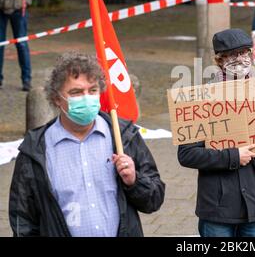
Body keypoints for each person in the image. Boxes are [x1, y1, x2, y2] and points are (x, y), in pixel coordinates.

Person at [9, 53, 165, 236]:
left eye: (92, 90)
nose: (86, 98)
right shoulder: (36, 149)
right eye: (76, 92)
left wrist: (134, 181)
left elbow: (154, 199)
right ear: (57, 99)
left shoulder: (123, 136)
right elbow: (23, 218)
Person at [178, 29, 255, 237]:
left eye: (245, 52)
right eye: (233, 54)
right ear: (219, 59)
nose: (241, 59)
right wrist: (232, 156)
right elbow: (187, 154)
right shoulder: (200, 99)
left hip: (254, 208)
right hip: (217, 208)